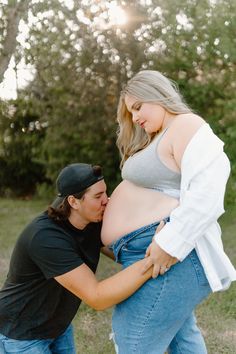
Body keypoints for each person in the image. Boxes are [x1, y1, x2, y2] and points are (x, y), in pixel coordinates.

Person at [101, 70, 236, 354]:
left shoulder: (186, 124)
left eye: (138, 107)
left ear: (158, 95)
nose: (135, 118)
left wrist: (169, 243)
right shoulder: (159, 135)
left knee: (133, 342)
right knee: (183, 339)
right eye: (130, 112)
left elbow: (208, 191)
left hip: (169, 256)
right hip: (149, 252)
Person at [0, 163, 160, 354]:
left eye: (105, 193)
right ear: (73, 202)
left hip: (58, 325)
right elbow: (97, 297)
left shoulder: (91, 222)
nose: (106, 201)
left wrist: (159, 241)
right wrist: (155, 259)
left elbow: (124, 253)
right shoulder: (45, 238)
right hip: (21, 335)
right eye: (98, 196)